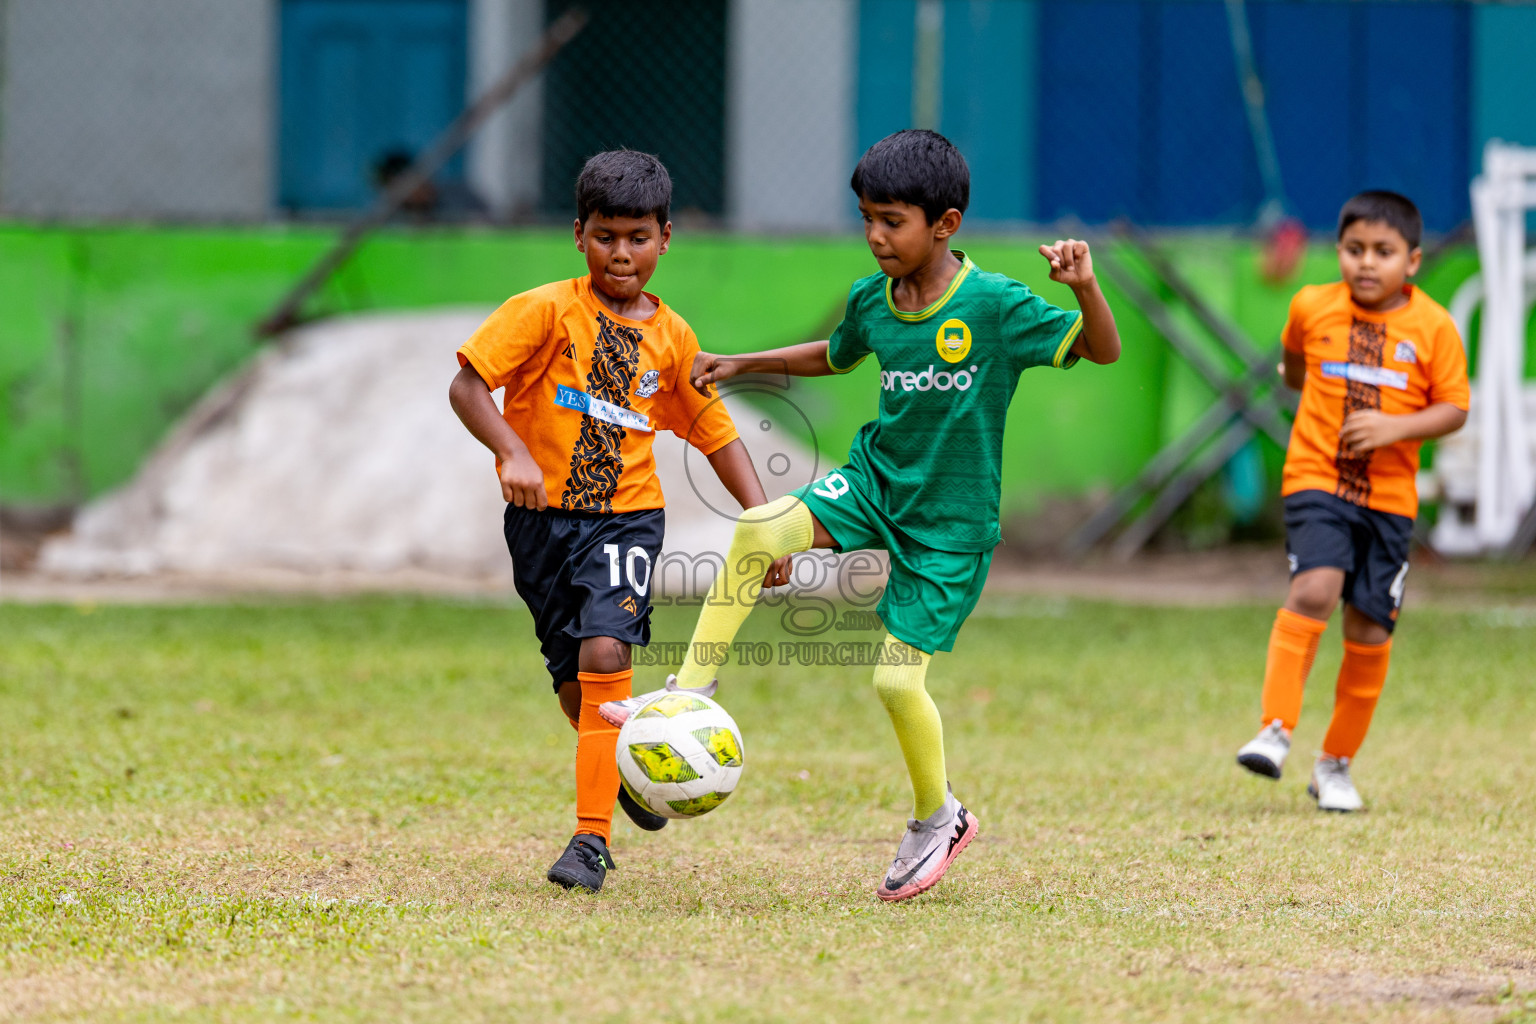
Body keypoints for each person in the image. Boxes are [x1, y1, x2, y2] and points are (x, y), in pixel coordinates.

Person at [601, 129, 1122, 901]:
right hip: (876, 482)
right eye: (867, 218)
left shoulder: (995, 305)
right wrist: (746, 363)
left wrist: (1083, 286)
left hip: (948, 527)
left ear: (944, 225)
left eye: (892, 221)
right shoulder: (873, 300)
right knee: (763, 525)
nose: (875, 235)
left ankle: (937, 817)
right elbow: (838, 353)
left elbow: (1101, 349)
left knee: (893, 683)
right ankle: (694, 689)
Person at [449, 150, 787, 893]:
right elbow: (468, 387)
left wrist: (767, 522)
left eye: (638, 236)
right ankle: (631, 766)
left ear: (666, 237)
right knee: (575, 685)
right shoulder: (543, 310)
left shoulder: (673, 340)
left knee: (606, 654)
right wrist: (512, 452)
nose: (622, 253)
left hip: (626, 522)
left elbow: (718, 435)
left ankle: (590, 841)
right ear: (579, 235)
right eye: (606, 236)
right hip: (539, 525)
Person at [1236, 190, 1469, 811]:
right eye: (1354, 249)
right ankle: (1275, 728)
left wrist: (1394, 429)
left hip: (1390, 500)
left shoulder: (1434, 327)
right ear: (1338, 250)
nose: (1367, 263)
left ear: (1412, 262)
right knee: (1314, 588)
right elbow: (1293, 361)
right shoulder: (1312, 306)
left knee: (1368, 629)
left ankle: (1334, 765)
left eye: (1384, 252)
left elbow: (1454, 408)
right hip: (1316, 477)